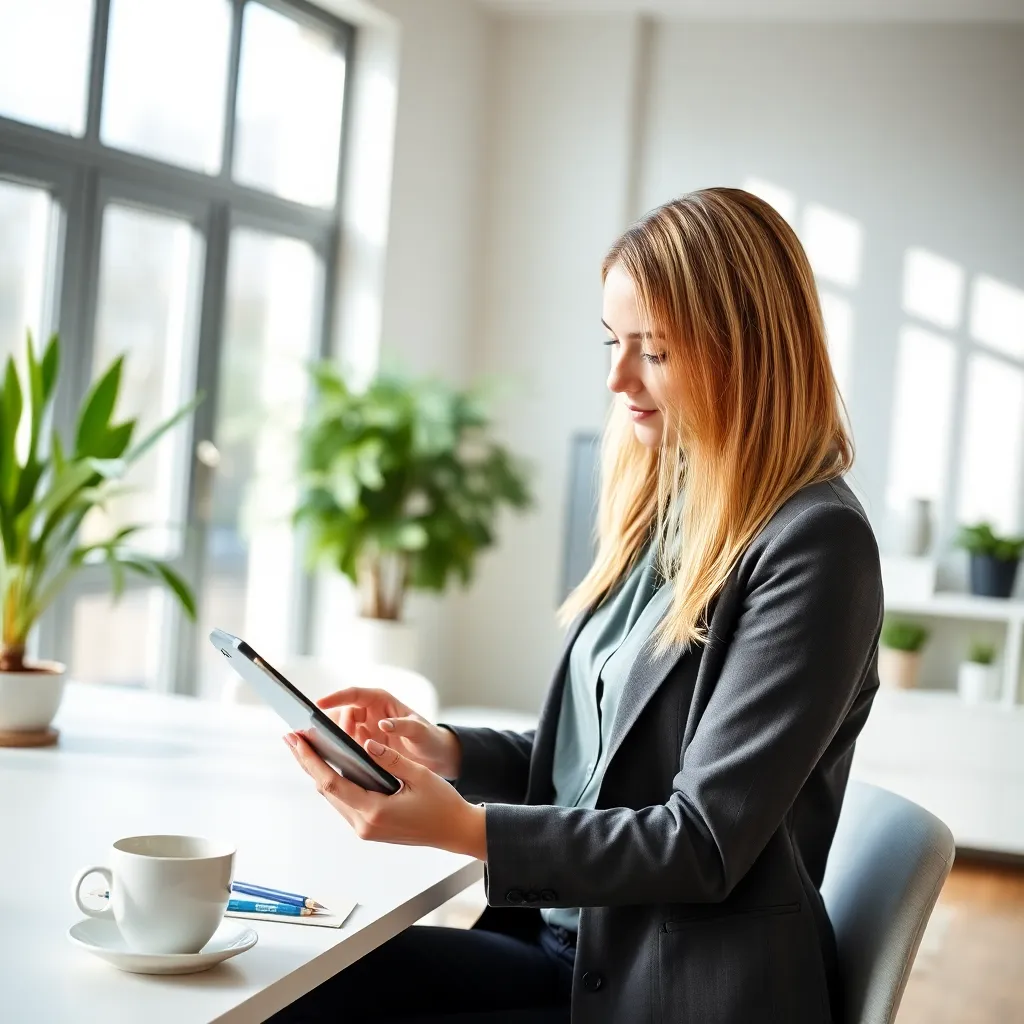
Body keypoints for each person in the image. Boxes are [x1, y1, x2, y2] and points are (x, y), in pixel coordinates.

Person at [273, 188, 882, 1024]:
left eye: (654, 351)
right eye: (612, 342)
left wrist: (466, 830)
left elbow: (702, 843)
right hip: (570, 951)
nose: (617, 378)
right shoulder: (669, 504)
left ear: (748, 352)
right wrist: (445, 748)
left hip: (673, 993)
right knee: (299, 983)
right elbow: (601, 765)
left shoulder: (817, 546)